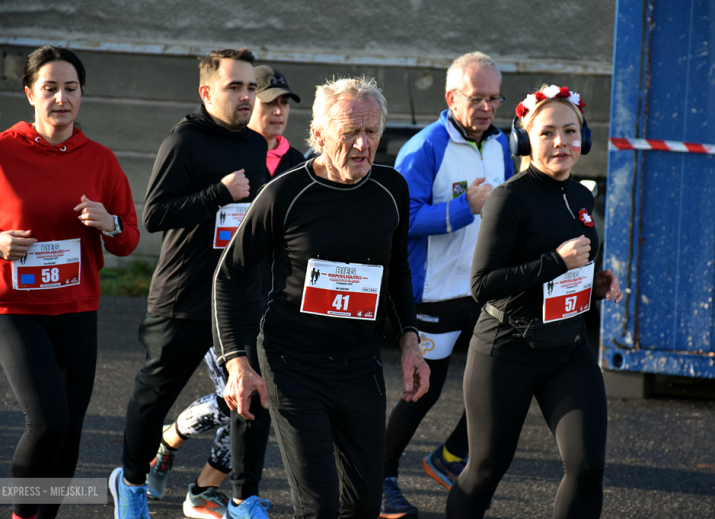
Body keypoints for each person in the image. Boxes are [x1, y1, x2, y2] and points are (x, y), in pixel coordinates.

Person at [213, 76, 431, 519]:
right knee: (319, 506)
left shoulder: (392, 189)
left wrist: (411, 341)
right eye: (348, 131)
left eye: (371, 132)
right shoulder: (285, 194)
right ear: (317, 135)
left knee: (363, 506)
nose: (361, 144)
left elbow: (398, 270)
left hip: (359, 363)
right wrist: (236, 361)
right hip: (294, 365)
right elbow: (228, 276)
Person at [0, 46, 139, 519]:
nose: (61, 98)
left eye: (71, 88)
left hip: (76, 305)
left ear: (82, 94)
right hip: (14, 306)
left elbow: (128, 240)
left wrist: (108, 223)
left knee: (70, 428)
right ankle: (21, 513)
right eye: (49, 88)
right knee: (47, 422)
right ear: (30, 93)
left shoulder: (101, 160)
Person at [446, 85, 623, 519]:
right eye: (547, 133)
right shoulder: (509, 197)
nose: (561, 142)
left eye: (570, 131)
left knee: (587, 467)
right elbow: (482, 284)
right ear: (525, 141)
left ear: (585, 138)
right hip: (506, 349)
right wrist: (555, 262)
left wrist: (593, 284)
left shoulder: (581, 195)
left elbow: (566, 272)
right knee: (486, 467)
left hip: (567, 349)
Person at [109, 48, 271, 519]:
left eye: (250, 87)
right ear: (206, 92)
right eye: (234, 86)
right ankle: (132, 483)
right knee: (153, 394)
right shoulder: (183, 142)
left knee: (251, 396)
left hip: (240, 298)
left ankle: (243, 499)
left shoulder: (256, 145)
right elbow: (155, 214)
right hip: (185, 296)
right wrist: (219, 192)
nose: (246, 96)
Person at [143, 64, 305, 519]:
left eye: (282, 103)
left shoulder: (299, 165)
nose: (275, 112)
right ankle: (204, 484)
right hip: (209, 299)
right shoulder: (221, 157)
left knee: (252, 401)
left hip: (273, 301)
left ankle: (190, 468)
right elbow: (164, 215)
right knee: (245, 397)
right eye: (267, 101)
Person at [380, 51, 513, 518]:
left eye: (495, 99)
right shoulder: (425, 146)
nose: (487, 108)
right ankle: (381, 474)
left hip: (483, 291)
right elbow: (399, 219)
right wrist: (465, 207)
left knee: (502, 378)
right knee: (425, 390)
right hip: (433, 294)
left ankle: (450, 458)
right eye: (478, 98)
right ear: (452, 96)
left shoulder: (500, 145)